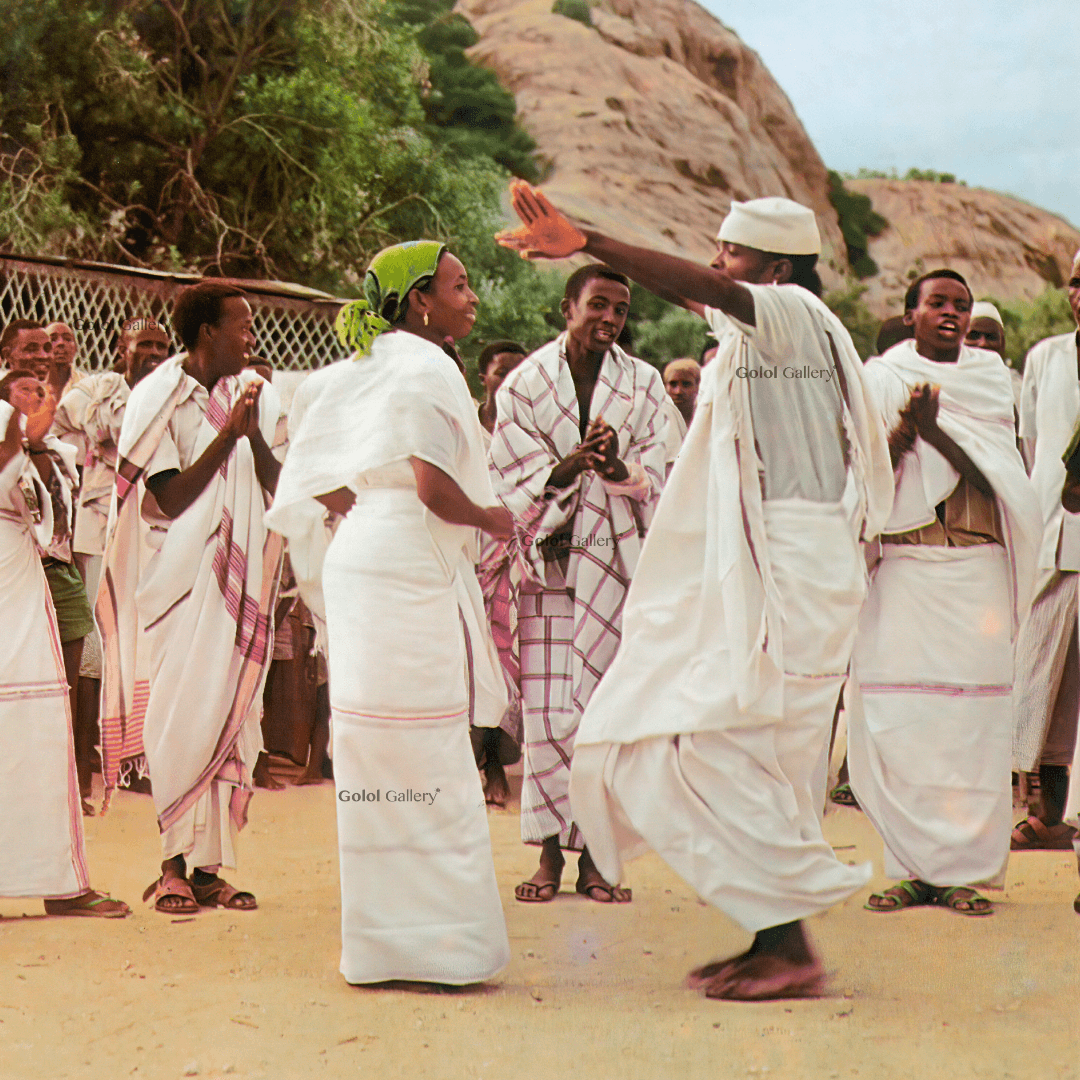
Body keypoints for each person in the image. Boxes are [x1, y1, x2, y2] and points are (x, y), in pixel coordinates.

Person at [496, 183, 893, 999]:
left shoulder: (790, 313)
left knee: (723, 745)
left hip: (792, 565)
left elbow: (704, 289)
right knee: (717, 743)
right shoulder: (760, 335)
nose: (717, 263)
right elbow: (707, 292)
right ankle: (771, 933)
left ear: (775, 267)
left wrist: (590, 238)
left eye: (731, 251)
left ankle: (789, 943)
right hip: (774, 563)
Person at [266, 241, 513, 986]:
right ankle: (447, 949)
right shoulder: (426, 365)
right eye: (459, 285)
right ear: (418, 302)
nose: (472, 298)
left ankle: (376, 951)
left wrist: (370, 508)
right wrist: (492, 519)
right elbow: (437, 490)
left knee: (376, 753)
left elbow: (313, 478)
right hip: (405, 560)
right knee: (430, 750)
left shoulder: (354, 370)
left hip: (363, 553)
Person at [847, 270, 1039, 916]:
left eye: (961, 303)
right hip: (904, 565)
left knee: (971, 725)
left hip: (976, 564)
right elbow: (865, 474)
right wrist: (905, 433)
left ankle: (964, 872)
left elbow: (996, 484)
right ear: (911, 316)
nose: (952, 313)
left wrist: (931, 431)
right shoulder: (877, 379)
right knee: (900, 720)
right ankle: (908, 868)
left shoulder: (989, 380)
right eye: (938, 303)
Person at [98, 281, 282, 915]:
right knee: (179, 716)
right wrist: (228, 435)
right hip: (178, 580)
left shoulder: (253, 393)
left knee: (230, 717)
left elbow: (277, 486)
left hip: (239, 584)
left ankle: (209, 870)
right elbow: (169, 499)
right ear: (207, 332)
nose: (251, 338)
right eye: (242, 326)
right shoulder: (158, 397)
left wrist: (251, 434)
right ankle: (171, 866)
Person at [488, 262, 667, 906]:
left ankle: (596, 855)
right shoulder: (525, 385)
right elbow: (506, 473)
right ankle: (546, 854)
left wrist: (618, 466)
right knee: (546, 713)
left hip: (616, 571)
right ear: (567, 308)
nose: (610, 320)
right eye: (598, 305)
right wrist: (567, 466)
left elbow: (664, 468)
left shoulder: (643, 384)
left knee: (602, 714)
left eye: (620, 310)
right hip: (552, 568)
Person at [0, 370, 129, 917]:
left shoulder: (43, 444)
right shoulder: (13, 428)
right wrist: (20, 437)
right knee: (32, 716)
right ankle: (57, 882)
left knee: (39, 721)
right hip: (10, 578)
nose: (43, 386)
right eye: (25, 372)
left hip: (21, 574)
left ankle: (58, 880)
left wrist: (31, 440)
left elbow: (45, 505)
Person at [52, 319, 172, 804]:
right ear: (121, 349)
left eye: (162, 347)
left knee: (142, 642)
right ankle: (84, 768)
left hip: (145, 533)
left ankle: (131, 757)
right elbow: (106, 432)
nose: (153, 354)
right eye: (144, 345)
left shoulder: (168, 395)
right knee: (97, 650)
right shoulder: (100, 389)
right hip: (96, 530)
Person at [2, 320, 94, 803]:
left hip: (57, 568)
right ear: (7, 356)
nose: (41, 356)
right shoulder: (2, 422)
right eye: (30, 349)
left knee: (65, 688)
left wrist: (38, 444)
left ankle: (63, 790)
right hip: (13, 570)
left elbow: (63, 513)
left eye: (47, 349)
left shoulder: (58, 442)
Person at [1012, 253, 1080, 849]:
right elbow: (1033, 448)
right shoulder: (1046, 357)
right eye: (1078, 281)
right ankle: (1039, 815)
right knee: (1038, 681)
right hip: (1053, 535)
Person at [477, 341, 528, 436]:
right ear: (483, 379)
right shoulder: (467, 420)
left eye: (519, 374)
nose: (512, 380)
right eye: (502, 374)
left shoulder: (533, 429)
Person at [663, 357, 700, 429]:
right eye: (673, 384)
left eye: (686, 384)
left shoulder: (708, 422)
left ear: (698, 387)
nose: (678, 391)